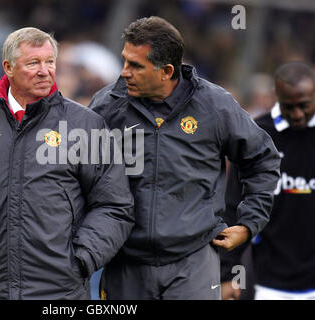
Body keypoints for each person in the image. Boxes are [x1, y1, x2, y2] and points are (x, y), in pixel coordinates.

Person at [0, 27, 135, 300]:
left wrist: (82, 259)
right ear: (8, 67)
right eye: (33, 63)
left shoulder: (85, 125)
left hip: (61, 294)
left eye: (50, 62)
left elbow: (114, 204)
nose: (44, 71)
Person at [88, 16, 281, 300]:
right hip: (125, 262)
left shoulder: (215, 106)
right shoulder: (107, 106)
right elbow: (78, 175)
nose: (124, 72)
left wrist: (249, 222)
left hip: (193, 261)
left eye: (136, 65)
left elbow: (263, 159)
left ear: (166, 71)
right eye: (125, 61)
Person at [221, 61, 315, 300]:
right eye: (289, 106)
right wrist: (226, 274)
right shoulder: (257, 135)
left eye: (304, 105)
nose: (297, 114)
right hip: (265, 280)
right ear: (277, 97)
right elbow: (234, 206)